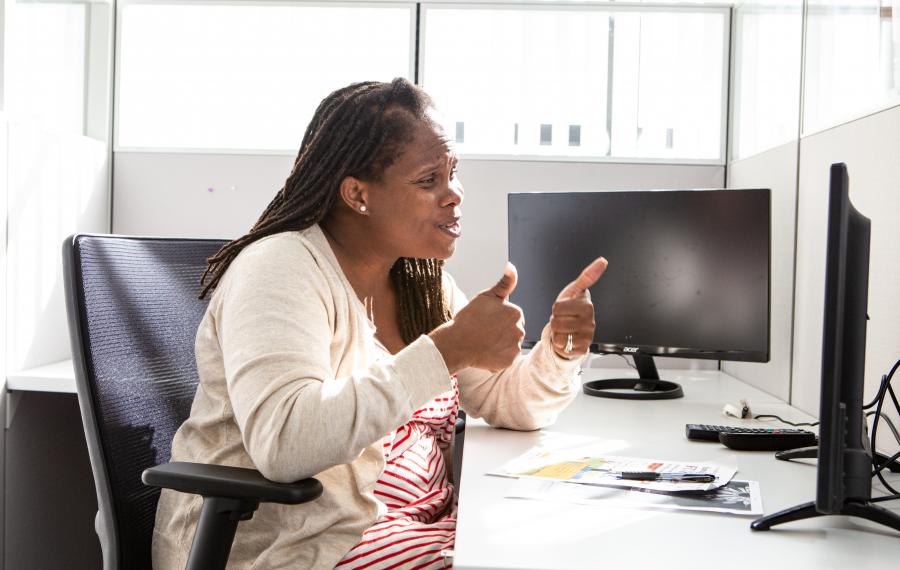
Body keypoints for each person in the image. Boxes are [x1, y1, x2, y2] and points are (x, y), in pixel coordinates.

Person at [152, 77, 607, 569]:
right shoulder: (279, 269)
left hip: (420, 530)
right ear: (357, 194)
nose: (453, 195)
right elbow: (284, 442)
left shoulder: (420, 282)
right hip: (306, 549)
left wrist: (559, 352)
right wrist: (448, 349)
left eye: (453, 173)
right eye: (428, 180)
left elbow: (506, 402)